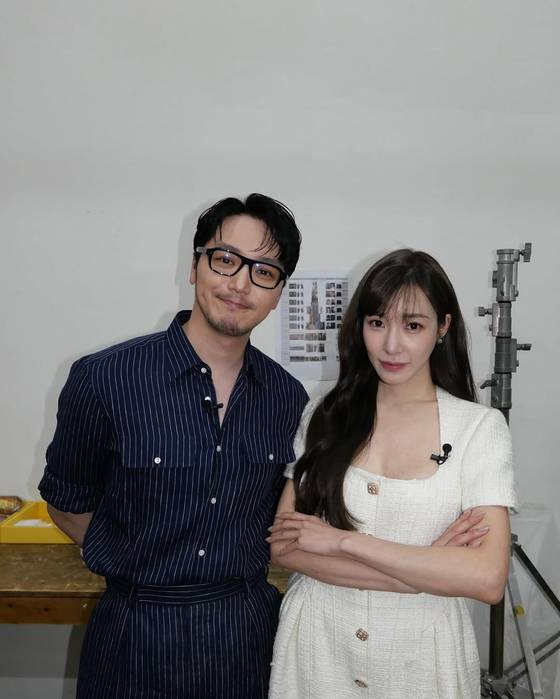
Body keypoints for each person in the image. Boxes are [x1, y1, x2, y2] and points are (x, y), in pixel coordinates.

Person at [39, 193, 309, 699]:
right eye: (225, 259)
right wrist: (136, 562)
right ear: (194, 266)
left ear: (278, 292)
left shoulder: (286, 397)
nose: (240, 283)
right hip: (134, 637)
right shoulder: (106, 378)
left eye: (264, 271)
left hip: (245, 640)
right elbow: (67, 503)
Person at [267, 249, 517, 698]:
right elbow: (285, 548)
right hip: (317, 651)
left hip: (421, 662)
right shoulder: (326, 413)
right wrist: (425, 570)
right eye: (377, 322)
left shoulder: (478, 429)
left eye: (413, 326)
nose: (391, 345)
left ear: (443, 327)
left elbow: (486, 579)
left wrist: (343, 542)